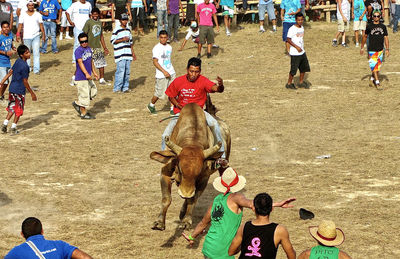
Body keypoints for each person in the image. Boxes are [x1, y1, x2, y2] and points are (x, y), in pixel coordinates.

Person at [183, 167, 296, 259]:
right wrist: (277, 204)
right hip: (223, 251)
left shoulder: (216, 200)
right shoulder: (236, 197)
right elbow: (254, 204)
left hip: (209, 246)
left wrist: (191, 237)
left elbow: (203, 223)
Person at [228, 193, 296, 259]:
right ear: (272, 209)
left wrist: (244, 245)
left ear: (253, 208)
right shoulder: (279, 230)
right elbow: (291, 254)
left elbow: (231, 251)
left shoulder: (244, 227)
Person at [4, 217, 93, 259]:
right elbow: (85, 258)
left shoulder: (15, 253)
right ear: (42, 231)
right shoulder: (60, 245)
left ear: (22, 234)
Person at [0, 45, 36, 135]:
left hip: (12, 88)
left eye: (28, 52)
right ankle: (13, 127)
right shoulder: (25, 67)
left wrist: (2, 81)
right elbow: (25, 81)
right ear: (21, 55)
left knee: (12, 107)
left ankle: (4, 124)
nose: (29, 54)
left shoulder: (17, 61)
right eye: (26, 53)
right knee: (18, 109)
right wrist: (32, 93)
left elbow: (11, 71)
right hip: (19, 90)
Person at [147, 30, 175, 114]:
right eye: (161, 37)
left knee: (173, 91)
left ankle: (172, 109)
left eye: (165, 37)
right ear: (159, 38)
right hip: (161, 74)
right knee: (159, 93)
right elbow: (155, 62)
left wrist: (169, 71)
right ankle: (151, 104)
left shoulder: (169, 47)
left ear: (167, 38)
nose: (163, 39)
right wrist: (164, 72)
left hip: (171, 72)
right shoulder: (156, 48)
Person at [72, 32, 99, 119]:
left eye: (85, 41)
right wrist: (86, 73)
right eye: (82, 42)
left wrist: (94, 72)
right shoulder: (78, 51)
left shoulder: (89, 49)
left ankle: (78, 104)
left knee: (93, 91)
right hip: (81, 77)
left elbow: (91, 62)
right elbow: (80, 63)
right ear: (79, 42)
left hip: (88, 76)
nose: (84, 43)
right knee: (84, 95)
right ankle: (83, 113)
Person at [360, 9, 389, 90]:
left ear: (380, 17)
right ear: (372, 17)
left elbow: (386, 38)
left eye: (378, 16)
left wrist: (387, 49)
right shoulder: (369, 26)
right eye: (375, 16)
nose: (376, 17)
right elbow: (365, 37)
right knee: (374, 67)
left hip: (380, 49)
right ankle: (377, 82)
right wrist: (362, 47)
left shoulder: (383, 27)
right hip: (372, 50)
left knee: (377, 67)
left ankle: (372, 80)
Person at [16, 0, 45, 75]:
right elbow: (20, 25)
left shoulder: (38, 14)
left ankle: (36, 69)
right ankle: (27, 68)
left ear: (34, 6)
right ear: (27, 6)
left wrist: (44, 35)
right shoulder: (23, 15)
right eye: (29, 5)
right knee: (26, 53)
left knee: (36, 53)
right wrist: (18, 34)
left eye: (32, 5)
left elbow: (41, 25)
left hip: (36, 35)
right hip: (26, 36)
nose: (31, 7)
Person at [110, 13, 136, 93]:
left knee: (127, 72)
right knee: (120, 71)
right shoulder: (116, 29)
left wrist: (133, 53)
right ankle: (117, 88)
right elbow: (112, 41)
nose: (124, 21)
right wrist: (122, 39)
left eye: (126, 20)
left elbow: (131, 43)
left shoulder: (128, 30)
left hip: (128, 54)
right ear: (120, 21)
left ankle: (125, 87)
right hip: (120, 54)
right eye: (123, 20)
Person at [83, 7, 109, 84]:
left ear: (98, 15)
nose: (95, 16)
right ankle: (75, 78)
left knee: (101, 63)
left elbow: (101, 36)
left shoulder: (99, 23)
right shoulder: (88, 22)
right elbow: (84, 34)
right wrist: (85, 45)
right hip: (89, 47)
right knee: (85, 63)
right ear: (91, 14)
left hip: (97, 47)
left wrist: (105, 47)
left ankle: (102, 79)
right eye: (93, 14)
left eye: (96, 14)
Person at [286, 13, 310, 89]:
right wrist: (296, 47)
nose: (300, 21)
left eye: (301, 20)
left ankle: (301, 82)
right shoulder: (292, 29)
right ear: (296, 20)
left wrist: (301, 48)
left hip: (302, 52)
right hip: (295, 53)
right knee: (293, 69)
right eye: (298, 20)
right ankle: (289, 83)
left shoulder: (302, 28)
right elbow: (288, 39)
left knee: (303, 68)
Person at [0, 21, 15, 101]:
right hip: (1, 62)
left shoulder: (10, 35)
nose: (6, 29)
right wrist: (6, 52)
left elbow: (11, 43)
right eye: (4, 27)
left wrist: (13, 48)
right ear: (1, 28)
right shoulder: (0, 37)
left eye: (7, 27)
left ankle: (1, 95)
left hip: (7, 61)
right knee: (4, 81)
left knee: (8, 80)